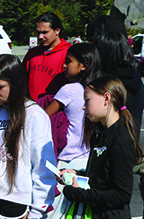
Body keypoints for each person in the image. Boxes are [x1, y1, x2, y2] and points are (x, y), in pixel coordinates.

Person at [0, 54, 56, 218]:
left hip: (17, 204)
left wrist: (37, 211)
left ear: (15, 84)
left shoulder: (34, 115)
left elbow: (43, 167)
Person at [61, 75, 143, 219]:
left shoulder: (121, 140)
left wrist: (81, 195)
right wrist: (76, 174)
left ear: (106, 98)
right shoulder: (99, 133)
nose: (84, 106)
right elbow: (100, 177)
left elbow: (122, 195)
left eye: (88, 100)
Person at [44, 43, 101, 218]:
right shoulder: (100, 91)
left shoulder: (69, 90)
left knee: (59, 213)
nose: (64, 65)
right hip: (89, 162)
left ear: (83, 65)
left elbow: (42, 117)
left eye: (68, 61)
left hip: (67, 163)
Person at [23, 12, 71, 101]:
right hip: (32, 107)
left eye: (45, 32)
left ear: (57, 30)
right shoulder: (32, 53)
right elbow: (22, 81)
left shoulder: (69, 53)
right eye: (38, 33)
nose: (40, 37)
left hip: (56, 110)